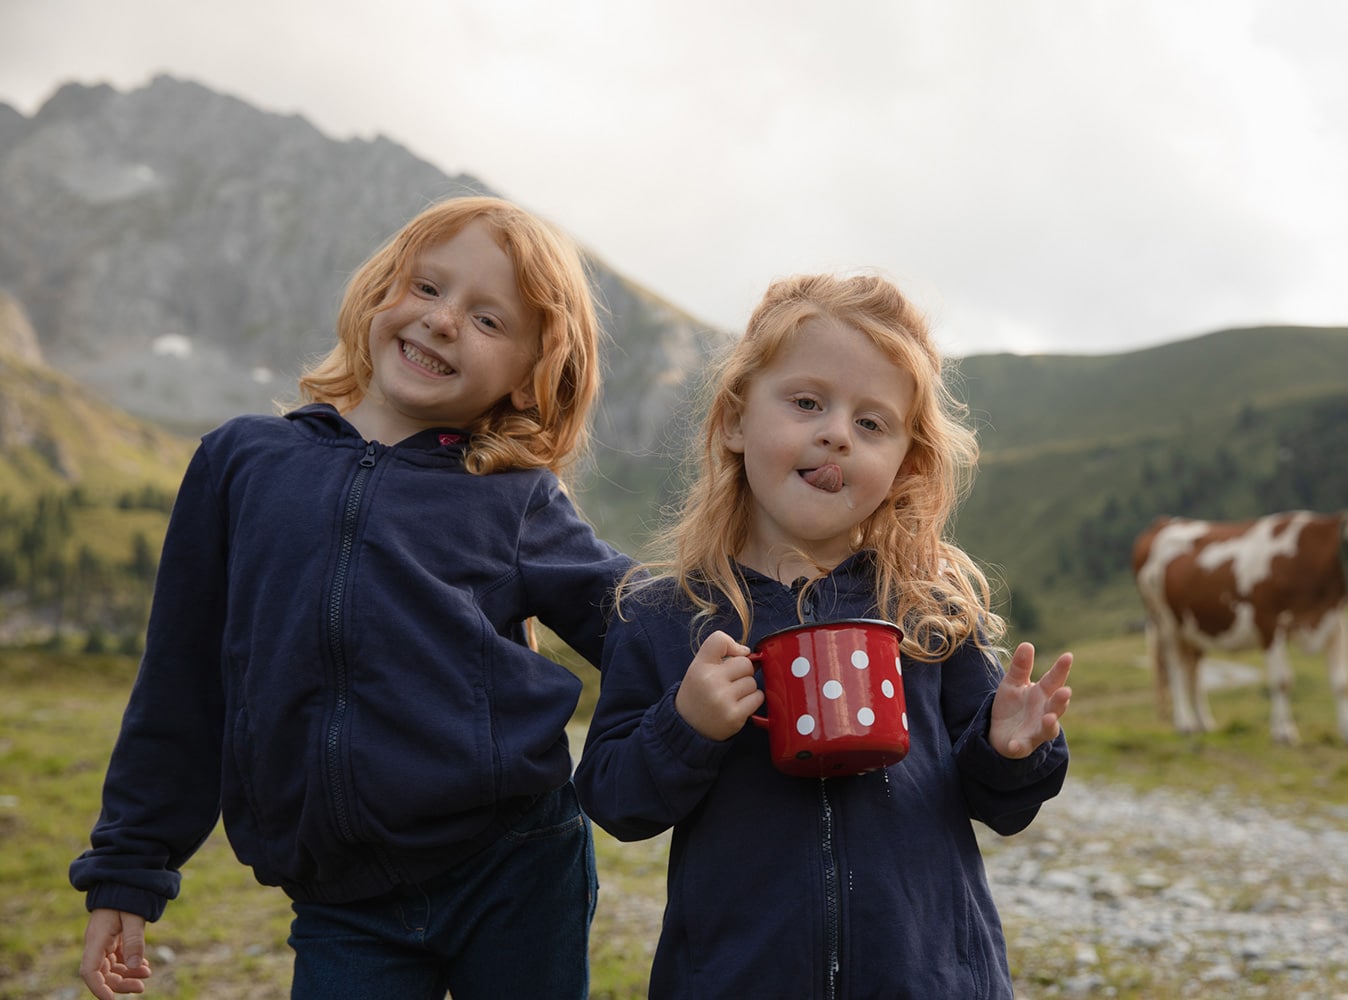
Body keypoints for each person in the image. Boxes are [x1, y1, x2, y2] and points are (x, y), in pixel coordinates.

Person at [70, 196, 635, 1000]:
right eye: (429, 288)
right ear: (379, 290)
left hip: (515, 865)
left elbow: (633, 620)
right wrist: (128, 866)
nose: (443, 322)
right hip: (341, 899)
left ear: (529, 376)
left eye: (488, 320)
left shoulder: (515, 497)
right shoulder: (243, 464)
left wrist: (765, 625)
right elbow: (181, 682)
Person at [574, 272, 1075, 998]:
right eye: (807, 402)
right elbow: (615, 801)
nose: (837, 431)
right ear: (737, 421)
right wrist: (686, 726)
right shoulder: (662, 615)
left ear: (905, 464)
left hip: (928, 980)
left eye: (872, 424)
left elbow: (1001, 805)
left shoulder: (929, 613)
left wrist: (1010, 747)